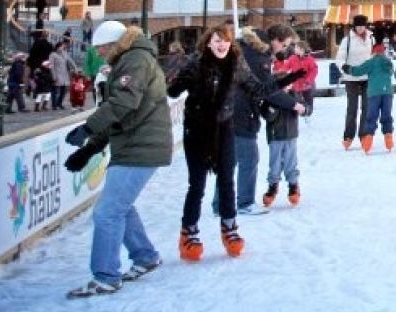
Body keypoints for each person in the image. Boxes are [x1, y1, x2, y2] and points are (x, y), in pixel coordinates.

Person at [167, 24, 299, 262]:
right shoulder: (196, 63)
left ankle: (229, 227)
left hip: (225, 127)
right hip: (197, 129)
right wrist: (180, 75)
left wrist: (289, 78)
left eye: (225, 41)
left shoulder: (236, 64)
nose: (221, 44)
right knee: (196, 185)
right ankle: (189, 232)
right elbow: (174, 91)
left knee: (227, 179)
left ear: (230, 44)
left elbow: (258, 89)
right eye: (217, 40)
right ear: (208, 42)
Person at [62, 21, 173, 297]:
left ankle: (106, 276)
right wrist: (88, 149)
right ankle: (145, 256)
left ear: (114, 44)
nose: (99, 54)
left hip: (141, 147)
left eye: (101, 49)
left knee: (108, 212)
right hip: (133, 145)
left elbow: (123, 103)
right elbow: (121, 115)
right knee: (120, 207)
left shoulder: (135, 60)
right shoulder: (131, 59)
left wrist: (88, 128)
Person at [222, 26, 302, 217]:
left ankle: (220, 204)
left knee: (229, 160)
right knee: (249, 159)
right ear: (274, 40)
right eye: (283, 45)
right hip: (241, 112)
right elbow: (267, 91)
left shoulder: (248, 50)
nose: (283, 50)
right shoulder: (258, 57)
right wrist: (293, 104)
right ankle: (245, 203)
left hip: (228, 110)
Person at [262, 25, 308, 208]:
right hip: (275, 135)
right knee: (274, 163)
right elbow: (264, 111)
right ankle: (273, 186)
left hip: (291, 135)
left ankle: (293, 185)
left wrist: (303, 109)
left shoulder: (294, 96)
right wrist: (271, 112)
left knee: (291, 161)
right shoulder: (273, 98)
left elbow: (305, 106)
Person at [341, 42, 396, 152]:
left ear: (373, 52)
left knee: (371, 117)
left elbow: (358, 71)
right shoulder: (388, 62)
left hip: (374, 94)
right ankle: (389, 140)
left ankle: (367, 143)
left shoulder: (371, 62)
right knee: (386, 116)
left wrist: (347, 68)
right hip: (388, 94)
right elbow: (390, 72)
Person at [335, 16, 375, 150]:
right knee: (352, 108)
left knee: (367, 108)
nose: (360, 28)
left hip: (367, 78)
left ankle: (363, 135)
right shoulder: (347, 40)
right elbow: (339, 59)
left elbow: (374, 56)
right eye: (358, 26)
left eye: (362, 26)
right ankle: (348, 136)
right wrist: (344, 67)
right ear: (354, 27)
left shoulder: (371, 38)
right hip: (351, 78)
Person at [49, 39, 74, 110]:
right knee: (55, 91)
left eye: (63, 47)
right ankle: (54, 104)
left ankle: (59, 103)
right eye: (61, 47)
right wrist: (53, 75)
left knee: (64, 90)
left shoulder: (64, 54)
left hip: (64, 74)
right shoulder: (52, 55)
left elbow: (70, 61)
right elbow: (51, 66)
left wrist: (75, 68)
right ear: (57, 47)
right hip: (57, 74)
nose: (62, 48)